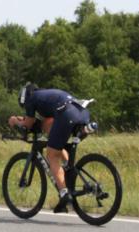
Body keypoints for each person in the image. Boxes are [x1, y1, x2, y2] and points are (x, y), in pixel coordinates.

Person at [8, 84, 92, 213]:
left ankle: (64, 194)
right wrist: (25, 120)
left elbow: (28, 124)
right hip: (82, 113)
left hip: (67, 114)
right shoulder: (47, 96)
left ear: (24, 98)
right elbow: (47, 124)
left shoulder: (31, 98)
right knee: (57, 147)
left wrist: (15, 121)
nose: (27, 109)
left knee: (51, 155)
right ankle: (69, 171)